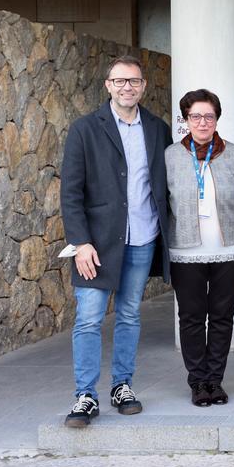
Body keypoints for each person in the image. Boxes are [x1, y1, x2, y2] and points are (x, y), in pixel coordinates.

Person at [60, 55, 171, 427]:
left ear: (143, 86)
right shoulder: (85, 129)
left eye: (134, 81)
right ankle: (85, 395)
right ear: (108, 85)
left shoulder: (157, 128)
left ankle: (122, 385)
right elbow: (71, 192)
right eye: (120, 81)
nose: (128, 87)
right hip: (97, 244)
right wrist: (80, 242)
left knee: (128, 314)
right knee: (89, 319)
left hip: (142, 239)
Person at [165, 89, 234, 407]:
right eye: (196, 116)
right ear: (185, 119)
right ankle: (197, 381)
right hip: (185, 251)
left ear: (217, 118)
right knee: (190, 317)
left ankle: (215, 380)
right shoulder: (170, 156)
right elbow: (165, 199)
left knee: (221, 317)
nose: (203, 122)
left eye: (209, 116)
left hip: (230, 249)